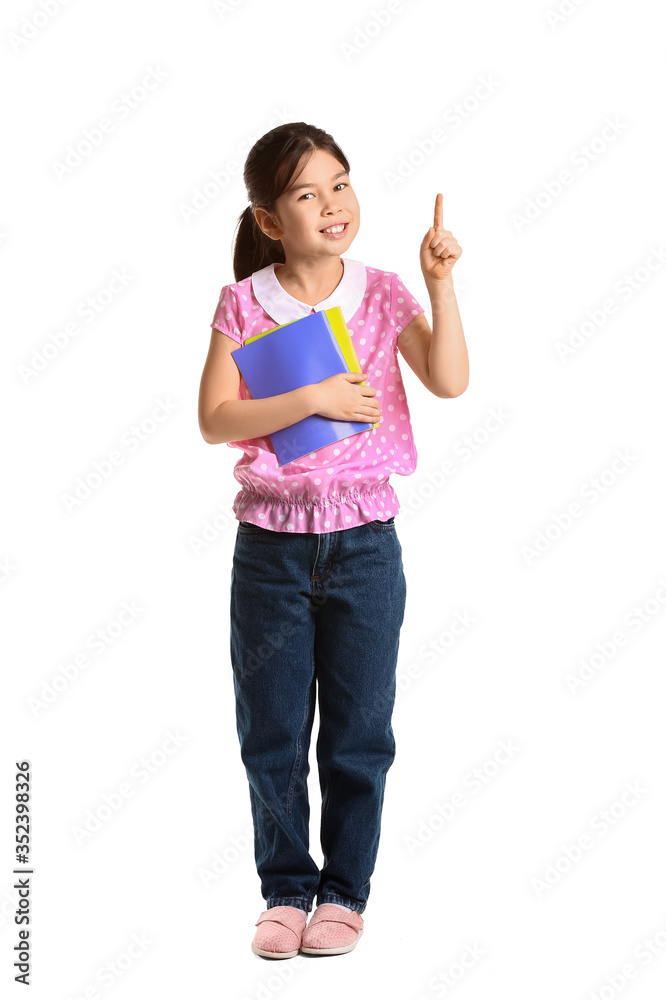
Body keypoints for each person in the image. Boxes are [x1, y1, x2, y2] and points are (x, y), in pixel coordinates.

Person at [198, 122, 468, 959]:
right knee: (271, 729)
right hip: (270, 552)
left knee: (359, 731)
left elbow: (450, 379)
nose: (332, 204)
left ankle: (344, 894)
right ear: (271, 219)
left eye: (341, 183)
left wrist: (440, 284)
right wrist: (313, 396)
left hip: (364, 547)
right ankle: (285, 890)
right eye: (307, 193)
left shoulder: (385, 291)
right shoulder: (244, 301)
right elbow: (216, 420)